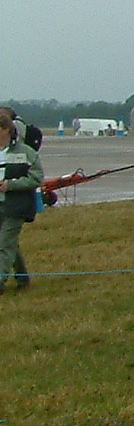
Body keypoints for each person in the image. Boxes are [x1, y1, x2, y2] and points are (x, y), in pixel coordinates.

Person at [0, 107, 45, 293]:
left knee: (4, 244)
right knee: (9, 242)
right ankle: (22, 278)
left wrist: (11, 185)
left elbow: (36, 178)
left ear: (6, 130)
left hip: (16, 206)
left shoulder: (26, 152)